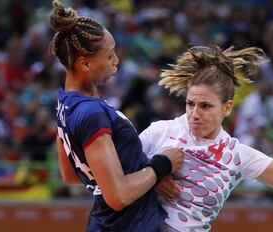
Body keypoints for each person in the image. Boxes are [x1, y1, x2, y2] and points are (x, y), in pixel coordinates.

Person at [139, 45, 273, 231]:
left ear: (227, 108)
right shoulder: (160, 132)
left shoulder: (235, 155)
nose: (195, 113)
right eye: (190, 104)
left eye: (205, 106)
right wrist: (154, 174)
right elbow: (116, 176)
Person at [49, 1, 183, 231]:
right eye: (110, 56)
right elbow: (118, 196)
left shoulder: (66, 102)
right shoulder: (91, 113)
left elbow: (71, 174)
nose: (117, 61)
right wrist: (161, 166)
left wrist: (141, 177)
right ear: (85, 63)